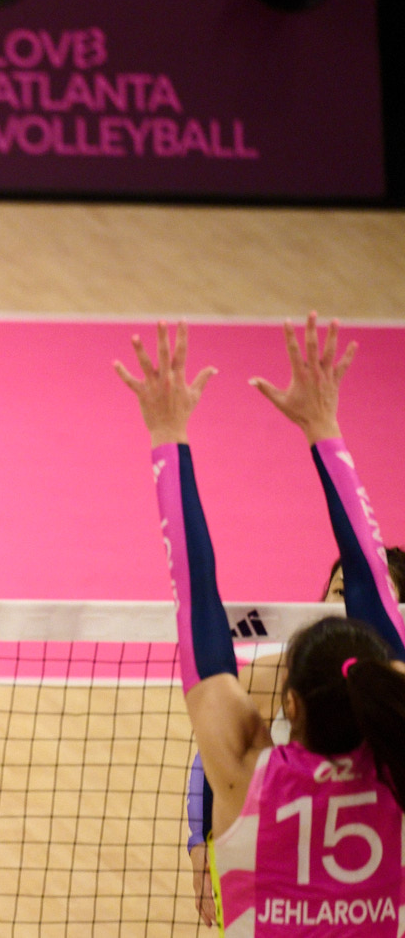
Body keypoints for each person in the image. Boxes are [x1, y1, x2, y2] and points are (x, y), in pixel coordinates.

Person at [116, 314, 405, 934]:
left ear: (289, 704)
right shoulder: (399, 774)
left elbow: (196, 597)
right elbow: (375, 589)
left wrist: (168, 436)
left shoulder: (247, 776)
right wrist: (324, 429)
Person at [185, 552, 405, 926]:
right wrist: (200, 846)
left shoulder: (396, 702)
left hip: (366, 880)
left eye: (370, 597)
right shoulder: (270, 678)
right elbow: (214, 761)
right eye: (340, 591)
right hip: (280, 874)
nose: (347, 605)